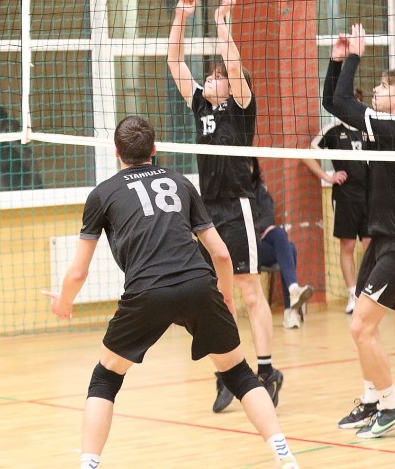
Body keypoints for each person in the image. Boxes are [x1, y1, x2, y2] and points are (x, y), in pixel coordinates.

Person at [45, 116, 299, 469]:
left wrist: (64, 303)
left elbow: (78, 271)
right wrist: (225, 297)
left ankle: (88, 464)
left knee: (105, 378)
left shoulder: (101, 194)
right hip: (198, 284)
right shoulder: (180, 183)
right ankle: (284, 455)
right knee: (239, 373)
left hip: (147, 290)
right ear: (154, 149)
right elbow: (221, 254)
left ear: (116, 152)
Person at [167, 0, 282, 414]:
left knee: (250, 291)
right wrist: (181, 17)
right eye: (211, 77)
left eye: (218, 78)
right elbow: (174, 62)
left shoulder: (241, 109)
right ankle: (228, 372)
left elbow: (234, 65)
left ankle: (266, 371)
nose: (211, 80)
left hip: (239, 207)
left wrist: (221, 23)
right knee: (216, 296)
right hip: (207, 211)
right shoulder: (201, 106)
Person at [323, 24, 395, 439]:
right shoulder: (384, 127)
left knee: (360, 327)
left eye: (382, 88)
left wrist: (355, 56)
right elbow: (333, 102)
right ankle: (371, 400)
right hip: (382, 238)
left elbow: (344, 102)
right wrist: (337, 61)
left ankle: (391, 404)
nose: (376, 92)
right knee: (365, 328)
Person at [301, 89, 369, 314]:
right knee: (347, 245)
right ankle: (352, 295)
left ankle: (368, 293)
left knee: (371, 245)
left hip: (370, 195)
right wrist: (327, 176)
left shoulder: (369, 129)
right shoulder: (332, 130)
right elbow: (306, 155)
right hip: (345, 196)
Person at [250, 159, 314, 330]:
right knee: (288, 247)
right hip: (247, 247)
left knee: (283, 240)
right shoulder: (233, 195)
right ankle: (290, 308)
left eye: (250, 164)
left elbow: (268, 219)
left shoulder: (261, 192)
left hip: (263, 245)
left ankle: (292, 295)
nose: (247, 168)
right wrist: (257, 230)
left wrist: (261, 229)